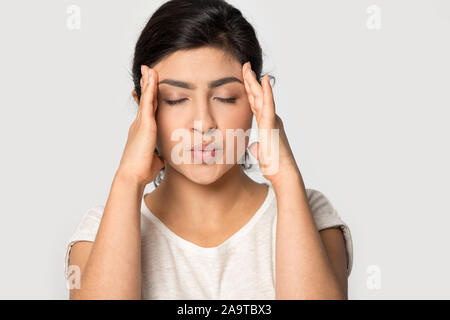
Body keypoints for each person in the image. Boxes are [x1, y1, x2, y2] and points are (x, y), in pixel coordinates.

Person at [64, 0, 353, 300]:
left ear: (258, 101)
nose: (203, 124)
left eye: (226, 97)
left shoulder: (311, 216)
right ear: (143, 107)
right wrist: (127, 178)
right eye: (176, 99)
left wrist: (287, 178)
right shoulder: (101, 231)